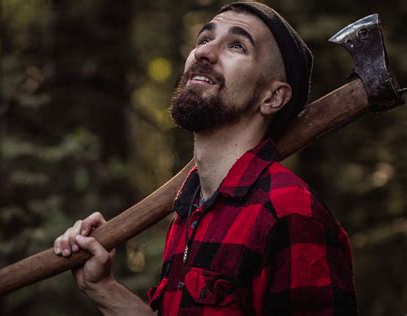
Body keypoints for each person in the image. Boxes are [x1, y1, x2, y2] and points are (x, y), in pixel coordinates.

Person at [53, 2, 357, 315]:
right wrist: (102, 288)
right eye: (203, 40)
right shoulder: (190, 208)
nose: (204, 52)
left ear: (272, 97)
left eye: (237, 45)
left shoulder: (289, 213)